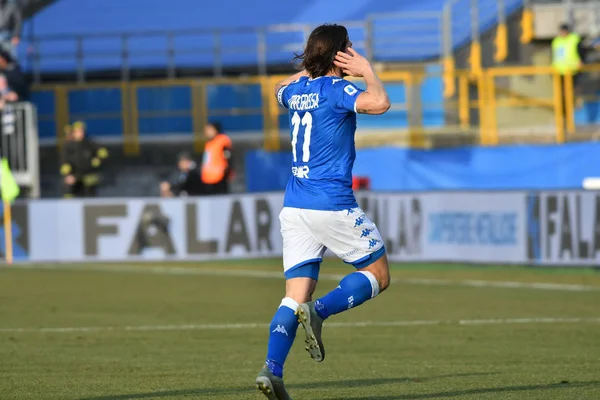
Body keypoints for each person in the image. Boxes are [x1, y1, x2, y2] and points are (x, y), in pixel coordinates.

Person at [255, 24, 391, 400]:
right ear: (337, 55)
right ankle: (321, 312)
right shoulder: (339, 89)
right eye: (348, 47)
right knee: (378, 275)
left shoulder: (296, 91)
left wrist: (309, 70)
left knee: (292, 295)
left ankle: (272, 369)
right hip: (330, 205)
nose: (352, 51)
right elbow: (380, 103)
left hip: (294, 207)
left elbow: (276, 90)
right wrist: (367, 70)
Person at [60, 121, 109, 198]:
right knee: (69, 193)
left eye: (81, 131)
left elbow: (103, 151)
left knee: (89, 195)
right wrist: (68, 175)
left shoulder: (89, 143)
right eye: (78, 131)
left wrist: (98, 160)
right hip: (74, 177)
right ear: (73, 133)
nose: (80, 133)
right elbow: (64, 162)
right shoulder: (68, 146)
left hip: (88, 176)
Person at [552, 23, 586, 104]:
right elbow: (554, 54)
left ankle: (573, 106)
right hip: (559, 70)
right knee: (561, 93)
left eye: (564, 31)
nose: (563, 33)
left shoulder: (574, 39)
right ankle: (564, 111)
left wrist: (581, 60)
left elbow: (581, 51)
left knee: (572, 91)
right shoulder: (556, 41)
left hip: (573, 69)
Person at [200, 122, 232, 195]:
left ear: (215, 130)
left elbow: (228, 156)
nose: (207, 132)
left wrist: (227, 171)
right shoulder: (209, 143)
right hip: (208, 178)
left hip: (220, 176)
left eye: (209, 129)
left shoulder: (222, 140)